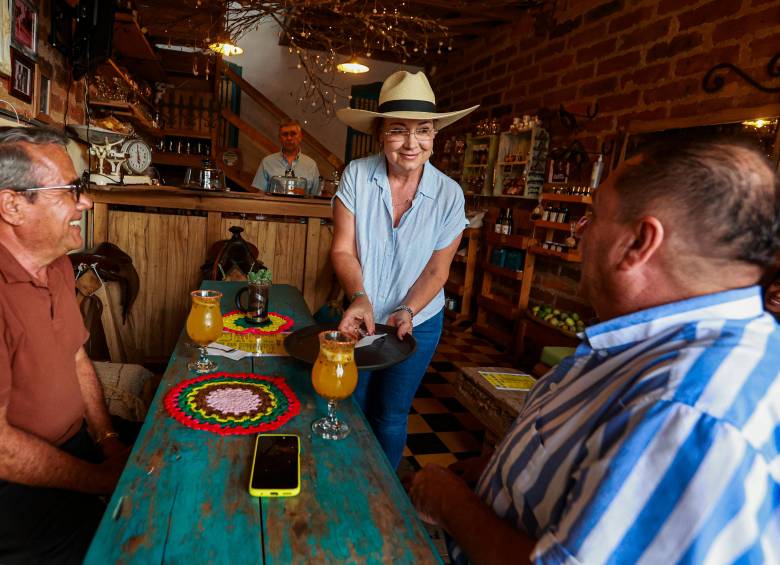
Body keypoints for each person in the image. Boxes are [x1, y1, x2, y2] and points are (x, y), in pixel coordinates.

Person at [409, 139, 780, 564]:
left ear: (640, 242)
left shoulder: (689, 411)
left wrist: (449, 504)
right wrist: (502, 479)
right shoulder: (670, 347)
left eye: (594, 215)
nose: (578, 229)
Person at [332, 71, 478, 468]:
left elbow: (437, 271)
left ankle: (382, 505)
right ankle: (346, 489)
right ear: (381, 133)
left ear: (434, 136)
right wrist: (361, 296)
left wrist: (409, 310)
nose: (412, 143)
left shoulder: (449, 194)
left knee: (391, 414)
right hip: (360, 315)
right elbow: (343, 250)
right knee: (351, 405)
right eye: (399, 130)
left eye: (424, 131)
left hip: (421, 318)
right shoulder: (357, 176)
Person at [0, 127, 129, 564]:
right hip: (16, 490)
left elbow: (77, 357)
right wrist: (97, 479)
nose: (86, 202)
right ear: (12, 205)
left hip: (76, 450)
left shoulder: (56, 265)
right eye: (71, 190)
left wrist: (107, 439)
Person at [251, 118, 320, 194]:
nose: (289, 138)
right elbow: (260, 195)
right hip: (274, 206)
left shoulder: (311, 165)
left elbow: (316, 196)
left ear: (300, 137)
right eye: (285, 134)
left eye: (293, 134)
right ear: (280, 138)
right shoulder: (267, 162)